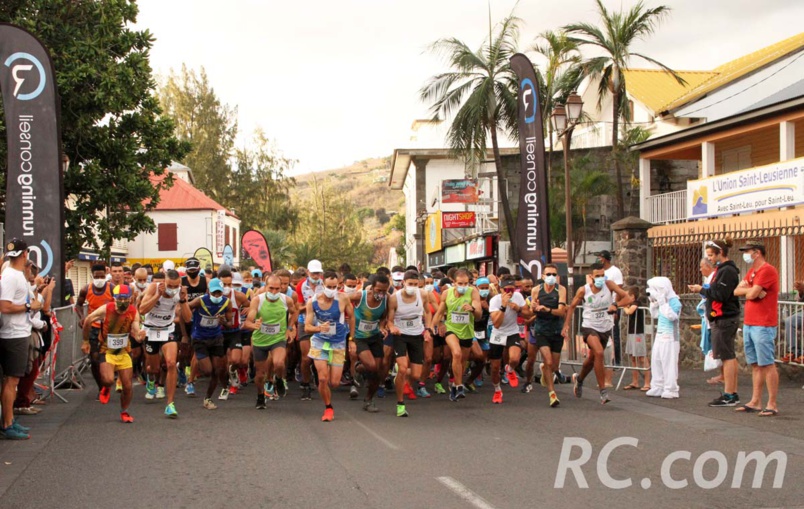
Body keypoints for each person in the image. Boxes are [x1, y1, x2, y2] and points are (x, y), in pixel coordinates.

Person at [563, 263, 630, 405]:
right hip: (589, 327)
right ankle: (603, 391)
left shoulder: (609, 285)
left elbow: (628, 298)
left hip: (605, 328)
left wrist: (615, 305)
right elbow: (572, 307)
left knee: (592, 359)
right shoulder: (584, 290)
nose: (600, 278)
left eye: (602, 275)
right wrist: (566, 325)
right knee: (599, 353)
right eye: (597, 276)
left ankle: (579, 379)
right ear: (591, 277)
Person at [689, 239, 741, 407]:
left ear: (720, 253)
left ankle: (730, 394)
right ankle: (730, 392)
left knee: (728, 356)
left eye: (711, 255)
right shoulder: (722, 270)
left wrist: (702, 290)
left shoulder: (727, 271)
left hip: (725, 317)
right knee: (726, 356)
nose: (709, 259)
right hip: (719, 317)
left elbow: (721, 294)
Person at [81, 285, 144, 423]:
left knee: (127, 386)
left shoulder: (133, 312)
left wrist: (139, 335)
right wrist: (86, 341)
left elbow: (135, 330)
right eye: (119, 299)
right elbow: (88, 320)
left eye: (125, 299)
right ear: (114, 299)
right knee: (109, 379)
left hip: (123, 351)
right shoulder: (106, 309)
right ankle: (106, 387)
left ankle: (124, 411)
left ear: (130, 299)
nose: (122, 302)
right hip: (107, 350)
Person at [0, 240, 43, 439]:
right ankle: (7, 424)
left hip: (19, 331)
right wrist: (29, 307)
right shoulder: (10, 276)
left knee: (13, 380)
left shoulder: (17, 275)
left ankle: (9, 420)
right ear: (25, 253)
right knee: (11, 380)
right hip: (13, 334)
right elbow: (5, 306)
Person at [734, 242, 779, 417]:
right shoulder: (752, 271)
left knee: (767, 363)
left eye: (748, 252)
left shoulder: (767, 270)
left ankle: (772, 403)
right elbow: (736, 290)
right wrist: (752, 289)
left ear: (757, 253)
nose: (746, 255)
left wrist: (750, 290)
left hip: (763, 323)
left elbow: (750, 294)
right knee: (755, 364)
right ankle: (755, 401)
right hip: (750, 322)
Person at [138, 269, 191, 418]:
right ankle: (151, 378)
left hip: (168, 330)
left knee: (171, 363)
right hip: (150, 330)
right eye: (170, 285)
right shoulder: (153, 288)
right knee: (154, 368)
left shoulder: (180, 292)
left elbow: (187, 319)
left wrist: (183, 300)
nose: (173, 289)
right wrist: (157, 296)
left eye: (176, 286)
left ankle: (170, 404)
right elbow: (142, 310)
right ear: (164, 282)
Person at [304, 271, 355, 422]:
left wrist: (351, 339)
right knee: (323, 379)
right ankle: (328, 407)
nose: (332, 290)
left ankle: (321, 380)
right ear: (322, 284)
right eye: (329, 286)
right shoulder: (312, 301)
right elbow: (307, 327)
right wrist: (318, 328)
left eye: (334, 286)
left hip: (338, 342)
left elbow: (351, 317)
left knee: (334, 382)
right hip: (319, 341)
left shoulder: (343, 298)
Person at [244, 275, 298, 410]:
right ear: (265, 287)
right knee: (260, 374)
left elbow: (295, 313)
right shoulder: (257, 300)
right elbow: (248, 321)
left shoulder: (287, 300)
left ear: (282, 288)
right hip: (260, 340)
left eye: (277, 289)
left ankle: (279, 379)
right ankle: (260, 396)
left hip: (278, 339)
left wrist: (290, 328)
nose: (274, 292)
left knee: (279, 363)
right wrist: (253, 324)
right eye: (271, 288)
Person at [387, 270, 433, 417]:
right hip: (400, 334)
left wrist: (428, 329)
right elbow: (389, 319)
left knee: (416, 374)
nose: (412, 287)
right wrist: (392, 327)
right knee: (402, 368)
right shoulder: (395, 298)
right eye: (410, 284)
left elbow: (428, 312)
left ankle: (401, 378)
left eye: (415, 284)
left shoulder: (423, 294)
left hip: (416, 335)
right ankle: (400, 404)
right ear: (403, 283)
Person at [431, 268, 482, 401]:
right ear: (453, 282)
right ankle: (459, 386)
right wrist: (432, 327)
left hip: (467, 330)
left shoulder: (473, 292)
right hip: (451, 328)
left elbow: (479, 316)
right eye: (460, 283)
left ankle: (454, 385)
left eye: (466, 283)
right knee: (456, 353)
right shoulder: (447, 293)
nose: (464, 286)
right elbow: (440, 312)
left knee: (462, 361)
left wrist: (473, 309)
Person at [188, 278, 233, 410]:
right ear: (208, 291)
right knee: (207, 371)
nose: (217, 296)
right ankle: (192, 372)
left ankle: (208, 398)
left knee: (217, 370)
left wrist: (223, 321)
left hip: (216, 338)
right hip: (200, 338)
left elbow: (230, 324)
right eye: (214, 293)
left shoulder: (226, 303)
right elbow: (184, 309)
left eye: (219, 293)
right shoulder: (200, 300)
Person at [347, 274, 390, 412]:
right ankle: (359, 367)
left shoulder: (386, 299)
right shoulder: (360, 296)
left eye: (384, 290)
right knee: (371, 365)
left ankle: (368, 400)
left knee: (377, 371)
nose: (381, 293)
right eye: (379, 290)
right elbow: (341, 301)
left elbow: (384, 317)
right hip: (359, 337)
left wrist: (382, 327)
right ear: (372, 288)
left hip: (374, 336)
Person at [488, 276, 532, 404]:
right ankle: (497, 390)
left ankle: (510, 369)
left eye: (512, 289)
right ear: (500, 289)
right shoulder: (495, 301)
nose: (509, 293)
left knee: (514, 359)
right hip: (497, 334)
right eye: (506, 289)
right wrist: (503, 306)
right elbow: (496, 324)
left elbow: (528, 314)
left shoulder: (518, 297)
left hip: (512, 332)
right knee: (495, 368)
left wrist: (518, 309)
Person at [528, 264, 567, 407]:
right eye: (548, 274)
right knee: (549, 361)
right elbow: (532, 309)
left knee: (554, 365)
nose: (551, 277)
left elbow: (561, 311)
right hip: (541, 329)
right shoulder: (536, 290)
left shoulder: (561, 290)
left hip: (556, 329)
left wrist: (547, 309)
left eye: (554, 274)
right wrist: (534, 307)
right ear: (543, 276)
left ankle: (545, 369)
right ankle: (552, 394)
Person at [76, 262, 116, 398]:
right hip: (93, 327)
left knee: (110, 357)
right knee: (94, 359)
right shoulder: (86, 289)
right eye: (96, 277)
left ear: (105, 275)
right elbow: (78, 304)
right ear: (92, 276)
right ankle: (101, 387)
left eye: (102, 276)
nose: (99, 279)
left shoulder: (112, 288)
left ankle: (109, 378)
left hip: (110, 328)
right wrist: (82, 317)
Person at [644, 277, 682, 399]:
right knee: (656, 361)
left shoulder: (675, 301)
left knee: (669, 363)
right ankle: (657, 385)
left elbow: (672, 316)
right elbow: (656, 315)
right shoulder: (663, 301)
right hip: (660, 335)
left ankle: (671, 388)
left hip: (670, 336)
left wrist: (663, 303)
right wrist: (654, 304)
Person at [296, 259, 325, 401]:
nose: (316, 276)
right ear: (308, 273)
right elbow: (298, 307)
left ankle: (320, 381)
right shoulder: (301, 286)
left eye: (318, 273)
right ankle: (305, 385)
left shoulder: (325, 285)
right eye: (313, 273)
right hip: (304, 322)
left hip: (322, 323)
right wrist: (310, 306)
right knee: (306, 358)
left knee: (320, 356)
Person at [621, 287, 650, 391]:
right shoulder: (633, 303)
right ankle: (635, 381)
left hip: (638, 333)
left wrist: (624, 306)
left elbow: (629, 311)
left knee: (642, 357)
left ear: (632, 296)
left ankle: (647, 382)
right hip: (631, 332)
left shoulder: (637, 303)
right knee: (633, 358)